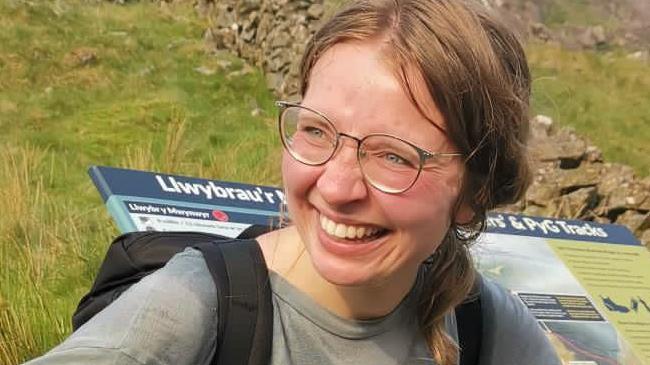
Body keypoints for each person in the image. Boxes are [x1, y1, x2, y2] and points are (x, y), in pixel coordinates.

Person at [24, 0, 561, 364]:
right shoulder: (191, 307)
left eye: (395, 158)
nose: (335, 187)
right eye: (316, 130)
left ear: (473, 194)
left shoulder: (483, 324)